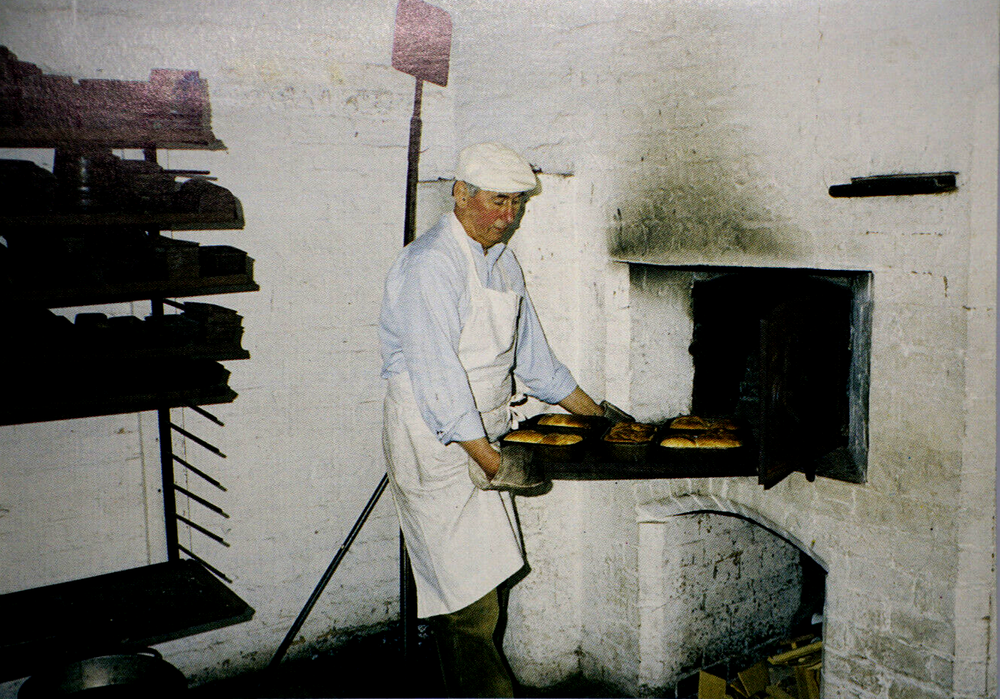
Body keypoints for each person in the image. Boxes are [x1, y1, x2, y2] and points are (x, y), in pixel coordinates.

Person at [379, 142, 606, 697]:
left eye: (518, 205)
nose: (509, 217)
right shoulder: (429, 265)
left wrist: (603, 419)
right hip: (437, 441)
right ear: (460, 194)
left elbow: (535, 363)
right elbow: (437, 378)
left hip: (486, 436)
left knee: (488, 583)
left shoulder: (503, 264)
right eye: (499, 201)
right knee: (466, 605)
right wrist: (489, 460)